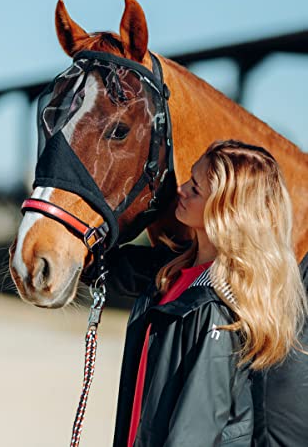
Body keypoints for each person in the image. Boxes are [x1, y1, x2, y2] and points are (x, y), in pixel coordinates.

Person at [103, 140, 307, 447]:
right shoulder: (176, 275)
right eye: (189, 178)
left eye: (195, 188)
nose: (181, 190)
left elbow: (193, 432)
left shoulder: (216, 307)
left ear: (226, 211)